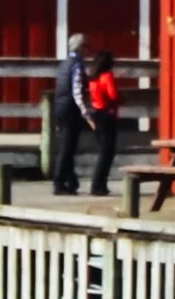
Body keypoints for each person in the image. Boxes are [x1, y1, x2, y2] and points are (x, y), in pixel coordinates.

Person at [52, 33, 93, 195]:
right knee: (68, 147)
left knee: (66, 145)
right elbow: (77, 92)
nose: (88, 50)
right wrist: (85, 112)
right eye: (86, 46)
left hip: (60, 106)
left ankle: (71, 180)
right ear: (80, 48)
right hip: (70, 108)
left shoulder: (64, 65)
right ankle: (59, 181)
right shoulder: (77, 65)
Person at [87, 51, 122, 197]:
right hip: (107, 114)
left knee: (103, 151)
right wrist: (123, 98)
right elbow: (113, 95)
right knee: (107, 152)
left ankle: (98, 184)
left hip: (96, 113)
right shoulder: (107, 76)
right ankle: (99, 185)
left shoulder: (93, 78)